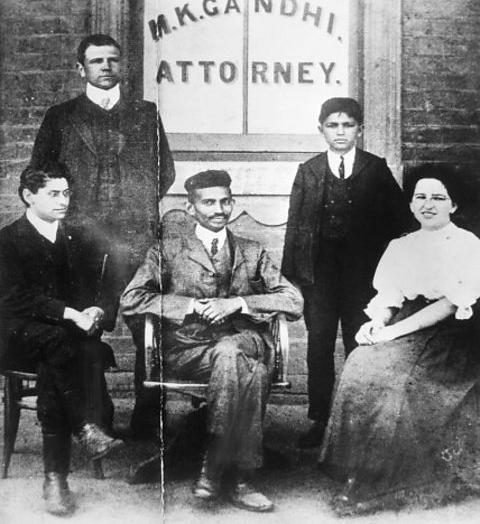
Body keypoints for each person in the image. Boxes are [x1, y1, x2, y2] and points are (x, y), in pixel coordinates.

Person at [120, 170, 303, 512]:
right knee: (253, 372)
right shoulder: (167, 251)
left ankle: (213, 465)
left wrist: (239, 303)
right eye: (208, 203)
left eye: (225, 201)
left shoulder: (252, 251)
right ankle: (239, 477)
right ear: (191, 209)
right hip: (190, 349)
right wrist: (187, 305)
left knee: (232, 352)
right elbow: (132, 300)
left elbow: (293, 301)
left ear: (232, 203)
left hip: (243, 341)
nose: (219, 209)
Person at [31, 33, 176, 439]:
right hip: (79, 241)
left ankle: (148, 420)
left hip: (134, 239)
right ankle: (97, 418)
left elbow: (165, 172)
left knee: (148, 325)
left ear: (121, 66)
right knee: (81, 326)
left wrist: (135, 207)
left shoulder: (145, 114)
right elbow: (39, 175)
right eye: (96, 61)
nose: (106, 67)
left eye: (113, 60)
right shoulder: (61, 117)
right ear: (82, 69)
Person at [319, 164, 480, 514]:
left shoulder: (468, 244)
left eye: (439, 197)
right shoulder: (400, 245)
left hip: (450, 335)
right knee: (359, 364)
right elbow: (389, 297)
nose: (428, 204)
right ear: (410, 204)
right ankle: (356, 470)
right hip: (406, 322)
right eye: (420, 196)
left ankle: (384, 482)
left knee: (395, 380)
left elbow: (451, 304)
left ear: (454, 205)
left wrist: (393, 334)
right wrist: (375, 324)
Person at [282, 97, 411, 448]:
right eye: (333, 125)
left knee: (362, 341)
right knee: (319, 344)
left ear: (359, 129)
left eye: (348, 125)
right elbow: (295, 227)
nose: (341, 132)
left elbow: (402, 220)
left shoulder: (375, 168)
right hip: (320, 275)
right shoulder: (308, 171)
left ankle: (358, 421)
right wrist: (292, 276)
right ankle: (320, 419)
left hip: (362, 276)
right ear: (320, 129)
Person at [0, 161, 124, 517]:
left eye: (67, 193)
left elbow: (99, 288)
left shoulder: (76, 237)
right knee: (60, 346)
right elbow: (12, 299)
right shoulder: (8, 240)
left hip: (63, 339)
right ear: (28, 196)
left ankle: (55, 479)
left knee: (62, 355)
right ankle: (86, 427)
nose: (63, 201)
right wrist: (71, 314)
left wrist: (98, 311)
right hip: (17, 336)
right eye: (53, 194)